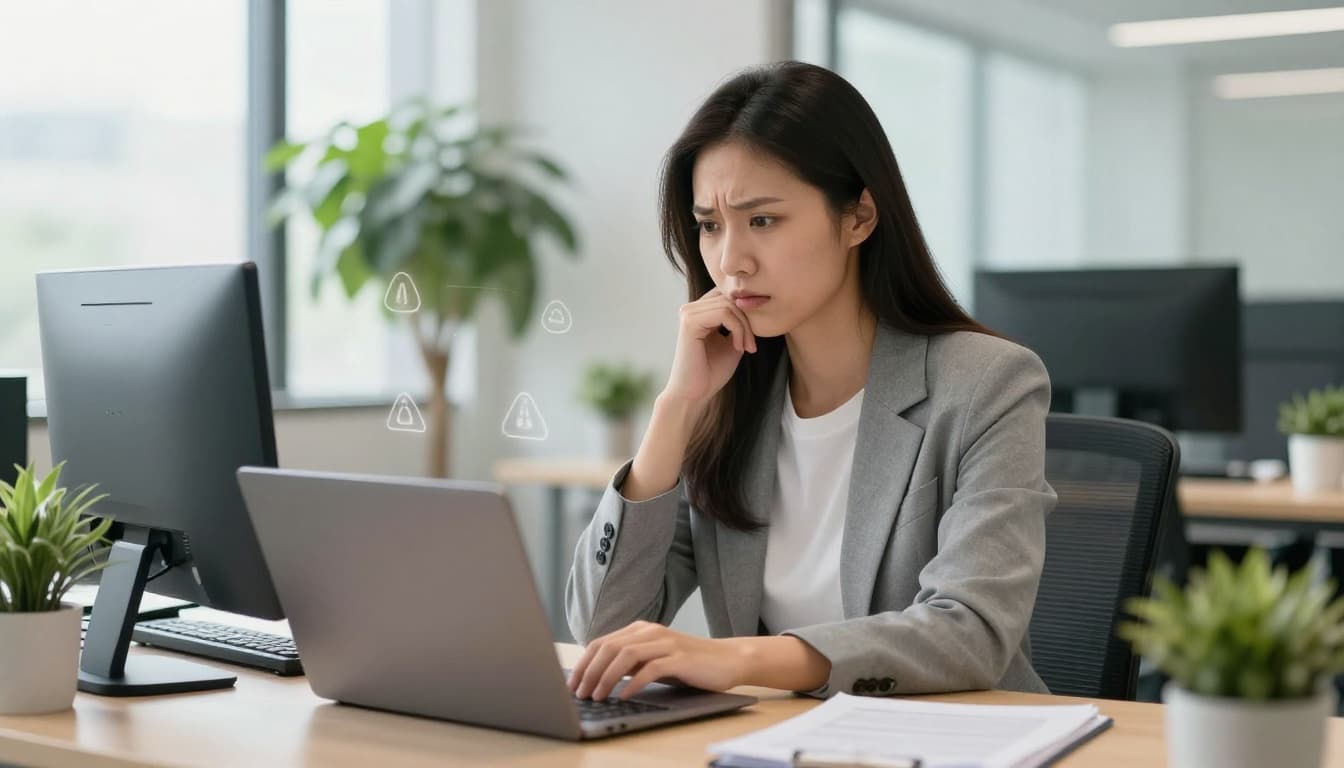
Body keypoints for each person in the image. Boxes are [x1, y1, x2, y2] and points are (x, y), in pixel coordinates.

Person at [565, 61, 1057, 703]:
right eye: (710, 225)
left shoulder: (988, 384)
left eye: (762, 220)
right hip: (778, 741)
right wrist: (675, 409)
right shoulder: (730, 403)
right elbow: (601, 629)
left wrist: (735, 658)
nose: (730, 260)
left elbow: (969, 633)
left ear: (858, 217)